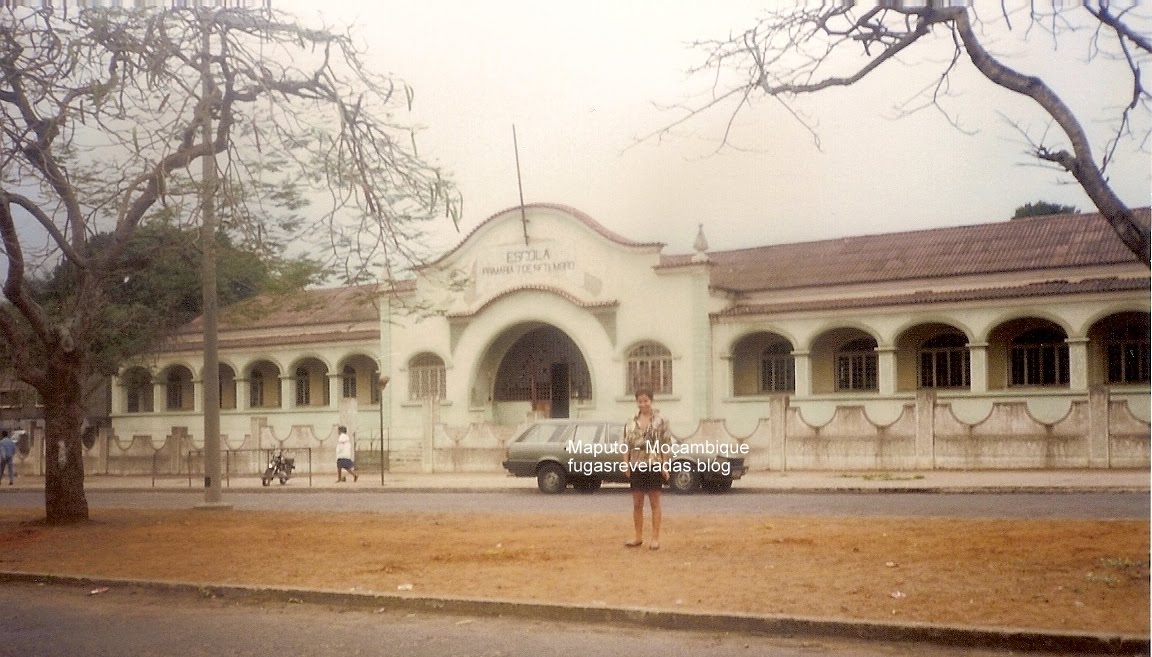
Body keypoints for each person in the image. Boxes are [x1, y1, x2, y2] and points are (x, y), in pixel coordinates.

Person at [622, 387, 670, 550]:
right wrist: (626, 463)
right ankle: (638, 537)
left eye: (646, 401)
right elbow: (626, 444)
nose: (643, 404)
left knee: (655, 502)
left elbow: (665, 444)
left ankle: (655, 538)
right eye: (640, 401)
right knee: (637, 503)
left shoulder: (661, 420)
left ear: (651, 401)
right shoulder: (630, 421)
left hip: (654, 465)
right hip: (636, 465)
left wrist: (665, 465)